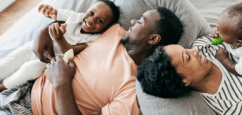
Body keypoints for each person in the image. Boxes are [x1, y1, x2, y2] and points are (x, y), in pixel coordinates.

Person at [29, 7, 183, 115]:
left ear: (153, 39)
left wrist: (61, 83)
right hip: (30, 82)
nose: (133, 21)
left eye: (141, 22)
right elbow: (79, 22)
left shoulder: (134, 90)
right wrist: (43, 32)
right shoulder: (115, 31)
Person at [0, 0, 120, 91]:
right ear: (87, 10)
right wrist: (48, 11)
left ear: (106, 28)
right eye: (91, 13)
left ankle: (3, 86)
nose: (91, 20)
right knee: (9, 62)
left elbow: (71, 52)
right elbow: (55, 14)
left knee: (29, 69)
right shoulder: (74, 16)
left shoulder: (94, 39)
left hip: (48, 62)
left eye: (100, 21)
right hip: (33, 47)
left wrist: (59, 38)